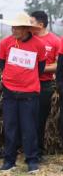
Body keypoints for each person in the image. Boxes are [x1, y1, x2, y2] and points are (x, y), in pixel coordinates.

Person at [0, 13, 48, 172]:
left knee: (29, 128)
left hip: (29, 93)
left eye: (17, 28)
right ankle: (9, 160)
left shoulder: (38, 44)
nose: (14, 30)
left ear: (26, 29)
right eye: (12, 27)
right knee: (10, 127)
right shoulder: (6, 43)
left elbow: (40, 67)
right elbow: (2, 63)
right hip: (10, 92)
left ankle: (32, 160)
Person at [30, 11, 59, 159]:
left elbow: (58, 64)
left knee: (40, 119)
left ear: (40, 24)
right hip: (27, 84)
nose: (29, 25)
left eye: (32, 22)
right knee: (26, 118)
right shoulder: (28, 39)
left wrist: (39, 68)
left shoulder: (55, 41)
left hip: (44, 84)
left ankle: (38, 152)